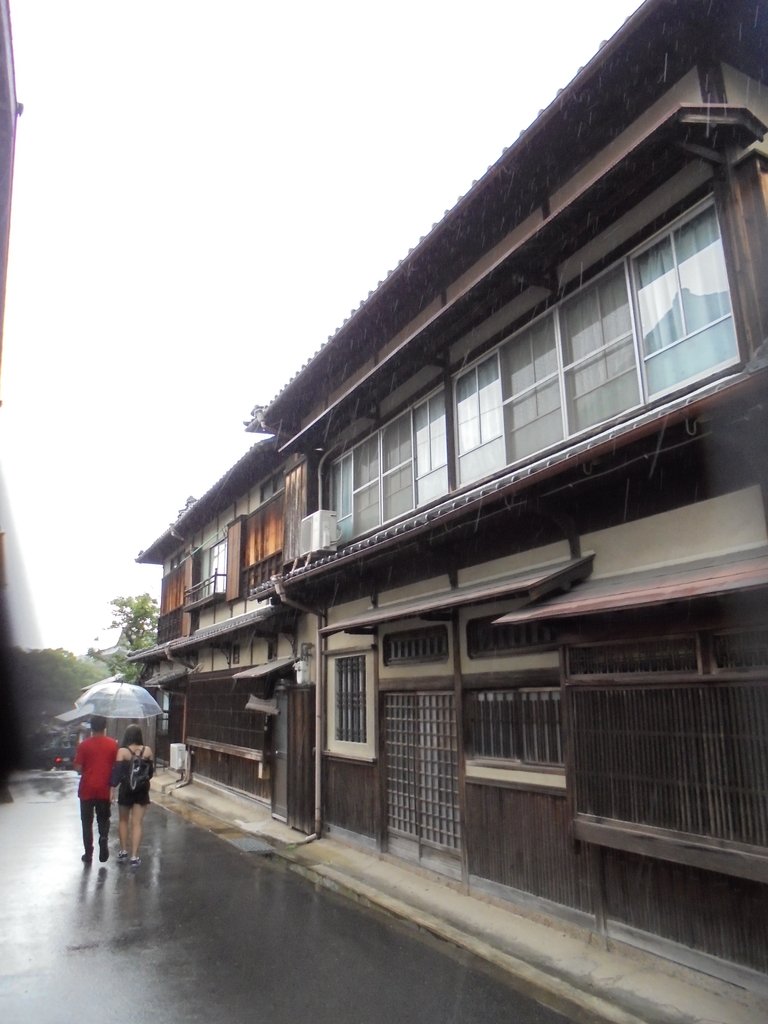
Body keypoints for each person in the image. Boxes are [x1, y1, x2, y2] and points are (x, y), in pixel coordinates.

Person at [73, 715, 118, 864]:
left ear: (91, 728)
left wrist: (84, 768)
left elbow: (78, 767)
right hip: (104, 789)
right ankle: (103, 838)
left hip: (86, 789)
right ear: (105, 728)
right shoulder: (113, 745)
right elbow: (115, 766)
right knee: (103, 819)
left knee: (86, 822)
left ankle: (88, 853)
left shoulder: (83, 745)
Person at [111, 724, 154, 867]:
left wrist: (111, 790)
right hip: (141, 791)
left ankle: (123, 851)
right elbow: (150, 773)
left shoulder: (122, 752)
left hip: (125, 791)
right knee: (137, 823)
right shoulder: (147, 750)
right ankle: (135, 856)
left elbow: (116, 775)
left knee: (123, 821)